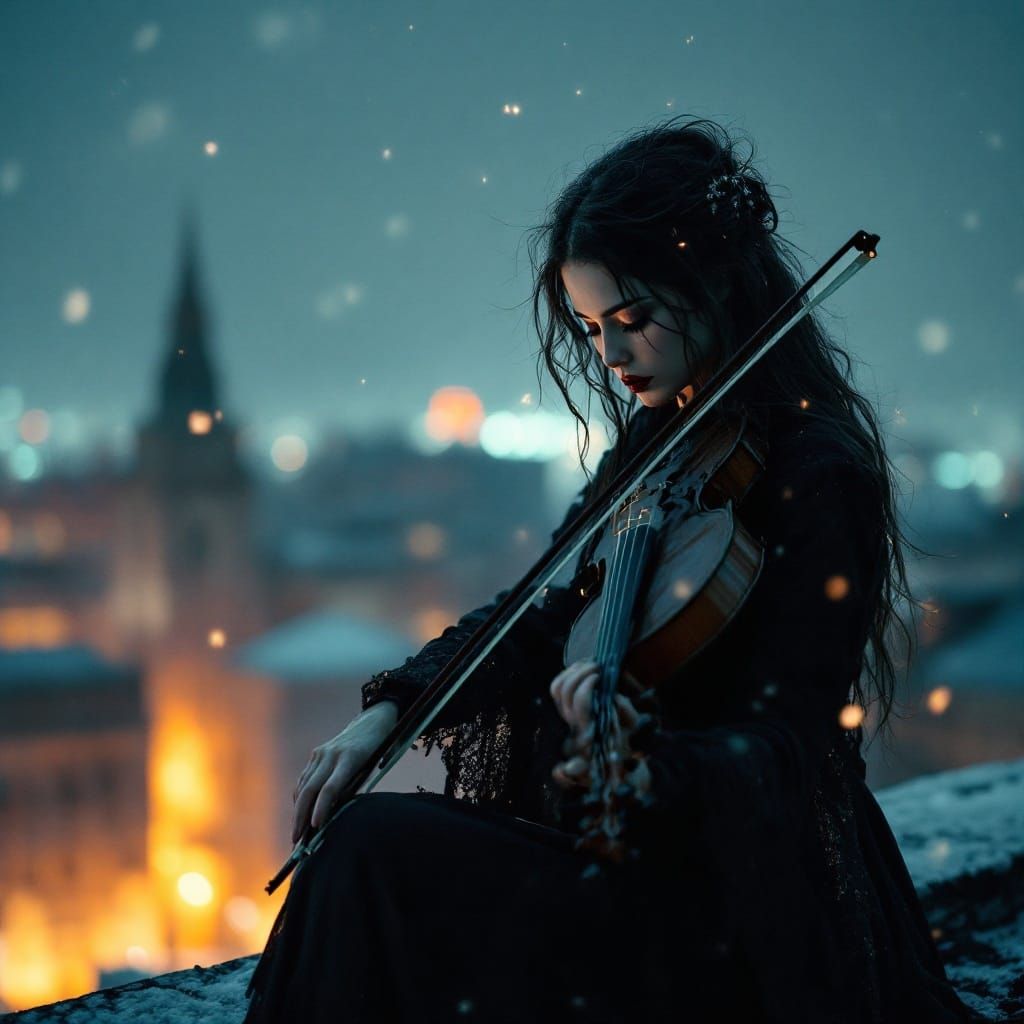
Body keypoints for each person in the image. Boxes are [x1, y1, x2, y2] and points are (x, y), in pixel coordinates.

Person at [242, 116, 988, 1023]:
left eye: (632, 320)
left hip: (734, 901)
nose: (610, 354)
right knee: (362, 850)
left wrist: (651, 768)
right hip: (620, 860)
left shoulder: (818, 471)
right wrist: (395, 710)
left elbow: (790, 746)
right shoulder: (659, 441)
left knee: (371, 858)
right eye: (593, 326)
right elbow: (552, 612)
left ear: (717, 284)